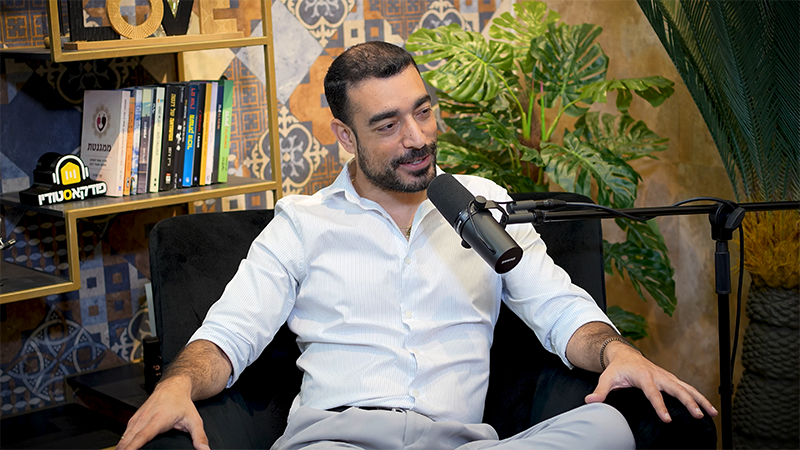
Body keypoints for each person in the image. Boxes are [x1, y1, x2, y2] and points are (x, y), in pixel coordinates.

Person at [117, 41, 717, 450]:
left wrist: (617, 352)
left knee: (609, 430)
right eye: (388, 125)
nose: (418, 138)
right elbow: (228, 335)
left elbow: (560, 308)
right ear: (345, 136)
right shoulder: (302, 223)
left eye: (423, 112)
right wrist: (176, 385)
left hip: (460, 443)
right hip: (338, 442)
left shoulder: (483, 204)